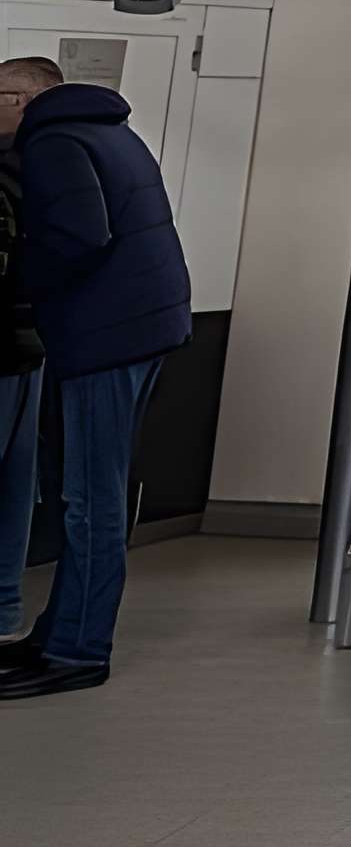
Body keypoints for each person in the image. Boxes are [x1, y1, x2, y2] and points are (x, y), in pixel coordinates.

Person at [0, 56, 191, 699]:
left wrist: (20, 283)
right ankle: (58, 633)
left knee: (90, 500)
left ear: (26, 97)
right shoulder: (107, 130)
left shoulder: (53, 142)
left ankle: (79, 650)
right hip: (140, 330)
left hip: (104, 338)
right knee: (91, 494)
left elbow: (77, 237)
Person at [0, 59, 49, 660]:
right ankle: (6, 608)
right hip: (34, 344)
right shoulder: (52, 165)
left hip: (6, 342)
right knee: (16, 482)